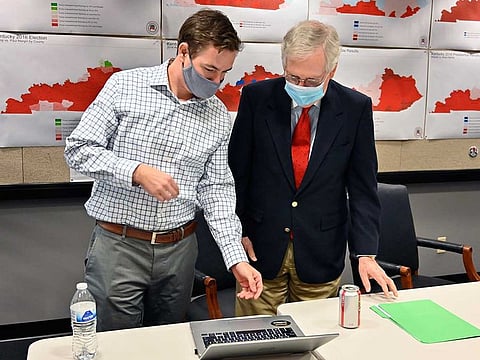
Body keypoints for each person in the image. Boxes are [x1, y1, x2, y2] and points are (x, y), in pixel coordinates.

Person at [64, 9, 262, 331]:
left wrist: (235, 258)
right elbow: (79, 150)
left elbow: (217, 189)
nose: (215, 83)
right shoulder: (125, 86)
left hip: (180, 249)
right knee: (117, 343)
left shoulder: (216, 113)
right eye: (209, 70)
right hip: (120, 245)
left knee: (170, 341)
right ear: (183, 51)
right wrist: (136, 171)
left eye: (223, 74)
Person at [228, 20, 398, 316]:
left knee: (315, 339)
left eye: (310, 80)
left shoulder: (355, 108)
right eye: (292, 77)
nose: (300, 87)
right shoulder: (257, 99)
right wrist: (237, 228)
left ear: (331, 71)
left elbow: (362, 188)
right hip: (260, 247)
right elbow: (237, 172)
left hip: (321, 251)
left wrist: (366, 253)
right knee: (254, 342)